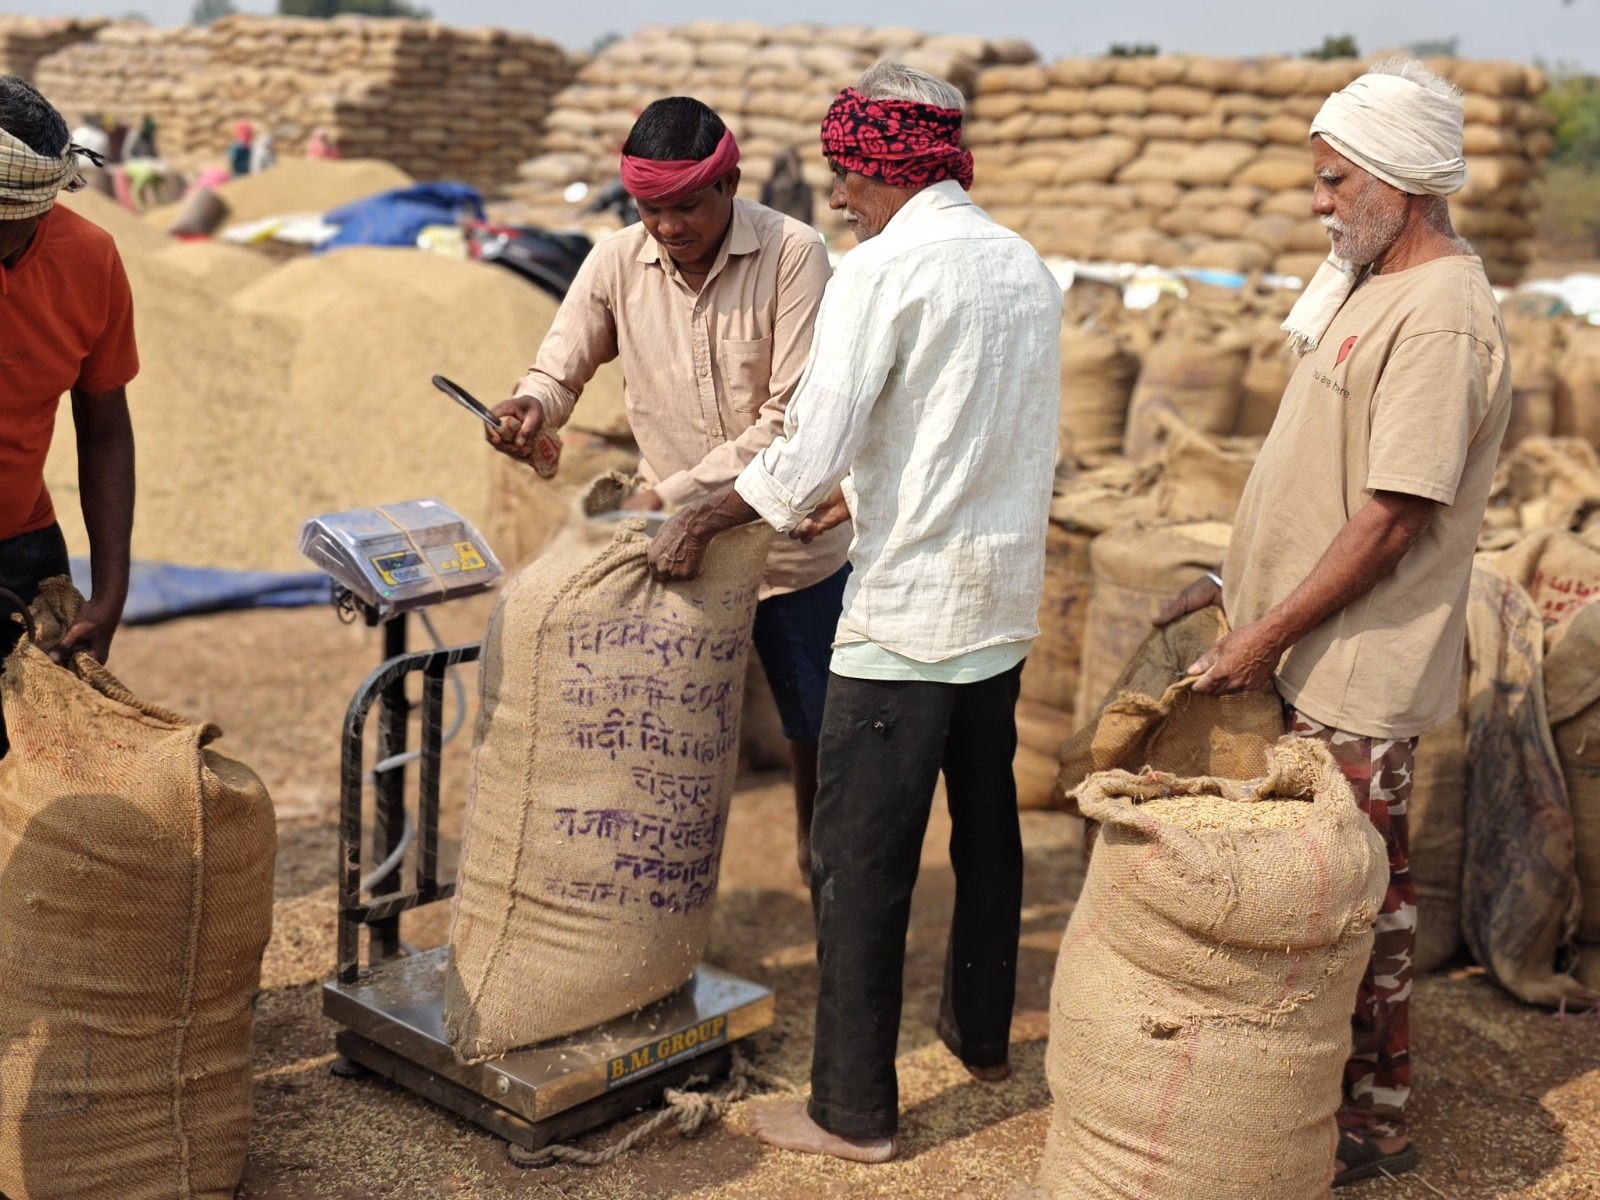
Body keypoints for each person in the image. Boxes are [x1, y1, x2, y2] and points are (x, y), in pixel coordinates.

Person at [646, 62, 1062, 1161]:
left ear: (880, 165)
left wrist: (698, 518)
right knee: (987, 832)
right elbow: (980, 435)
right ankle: (980, 1040)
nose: (835, 197)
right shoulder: (1022, 267)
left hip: (906, 614)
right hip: (1001, 604)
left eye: (843, 173)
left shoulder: (882, 271)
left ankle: (852, 1113)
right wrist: (854, 482)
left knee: (858, 860)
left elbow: (800, 461)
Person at [1154, 58, 1512, 1189]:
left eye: (1331, 180)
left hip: (1356, 665)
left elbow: (1394, 516)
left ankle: (1372, 1115)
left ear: (1398, 182)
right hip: (1304, 644)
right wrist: (1231, 584)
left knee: (1356, 897)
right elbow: (1317, 480)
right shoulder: (1367, 284)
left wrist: (1262, 640)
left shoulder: (1443, 314)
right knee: (1326, 890)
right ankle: (1319, 1092)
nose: (1317, 203)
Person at [486, 96, 850, 879]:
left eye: (687, 206)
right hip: (674, 553)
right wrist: (531, 406)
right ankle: (657, 896)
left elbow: (790, 422)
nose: (670, 226)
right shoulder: (617, 258)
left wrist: (671, 495)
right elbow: (559, 367)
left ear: (731, 186)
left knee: (816, 732)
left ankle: (819, 867)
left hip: (790, 550)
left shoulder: (794, 253)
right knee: (659, 737)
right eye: (653, 210)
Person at [0, 78, 137, 726]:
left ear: (38, 202)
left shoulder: (89, 261)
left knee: (32, 768)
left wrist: (109, 593)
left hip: (21, 555)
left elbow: (105, 429)